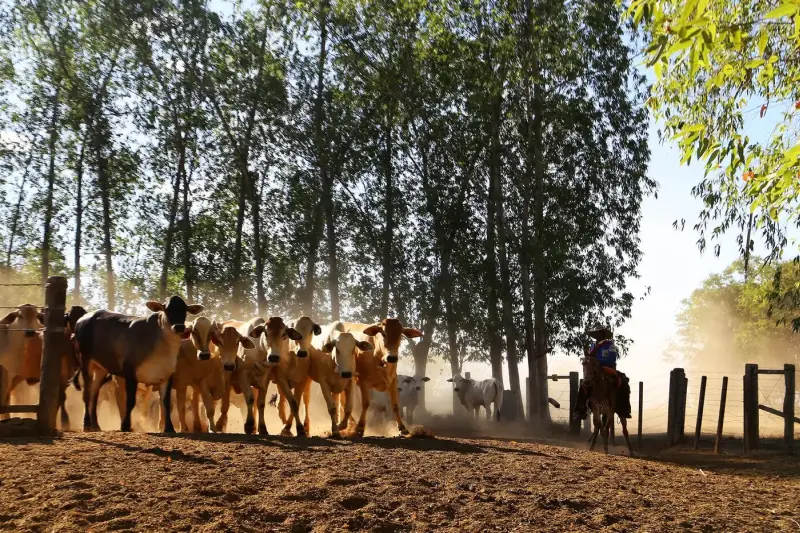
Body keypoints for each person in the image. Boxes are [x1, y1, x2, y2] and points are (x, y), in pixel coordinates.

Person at [574, 325, 632, 420]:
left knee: (623, 382)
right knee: (583, 384)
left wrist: (596, 360)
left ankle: (624, 410)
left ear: (603, 334)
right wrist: (587, 358)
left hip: (607, 369)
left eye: (599, 333)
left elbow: (611, 358)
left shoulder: (610, 345)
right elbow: (589, 359)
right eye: (595, 333)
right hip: (594, 370)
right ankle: (580, 410)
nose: (597, 335)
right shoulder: (593, 346)